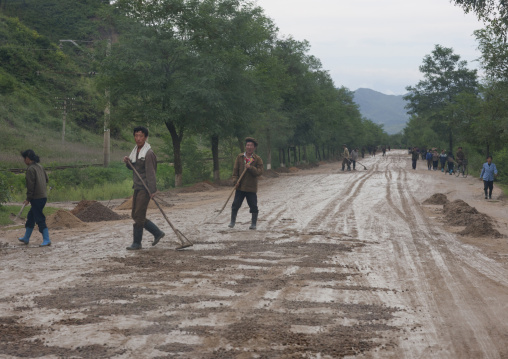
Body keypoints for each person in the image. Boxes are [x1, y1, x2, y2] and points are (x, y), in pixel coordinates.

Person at [123, 126, 165, 250]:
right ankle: (157, 233)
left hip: (145, 188)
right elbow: (134, 167)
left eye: (141, 136)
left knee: (139, 216)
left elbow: (151, 173)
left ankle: (137, 243)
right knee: (135, 215)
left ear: (146, 137)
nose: (138, 138)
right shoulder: (136, 151)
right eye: (136, 135)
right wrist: (127, 162)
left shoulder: (148, 153)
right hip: (137, 186)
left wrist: (152, 190)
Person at [229, 137, 264, 230]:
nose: (249, 147)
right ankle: (232, 222)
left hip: (251, 188)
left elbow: (259, 172)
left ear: (254, 147)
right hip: (240, 187)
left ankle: (253, 224)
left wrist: (251, 168)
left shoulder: (257, 159)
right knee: (235, 204)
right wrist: (235, 182)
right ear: (245, 146)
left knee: (253, 206)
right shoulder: (240, 157)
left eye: (251, 145)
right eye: (248, 145)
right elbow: (235, 171)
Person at [18, 150, 51, 246]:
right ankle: (26, 238)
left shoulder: (30, 169)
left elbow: (30, 186)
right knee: (31, 217)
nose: (24, 161)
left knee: (39, 218)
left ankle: (47, 239)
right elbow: (47, 179)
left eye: (24, 159)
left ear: (27, 159)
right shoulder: (40, 167)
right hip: (43, 196)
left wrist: (28, 198)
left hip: (36, 198)